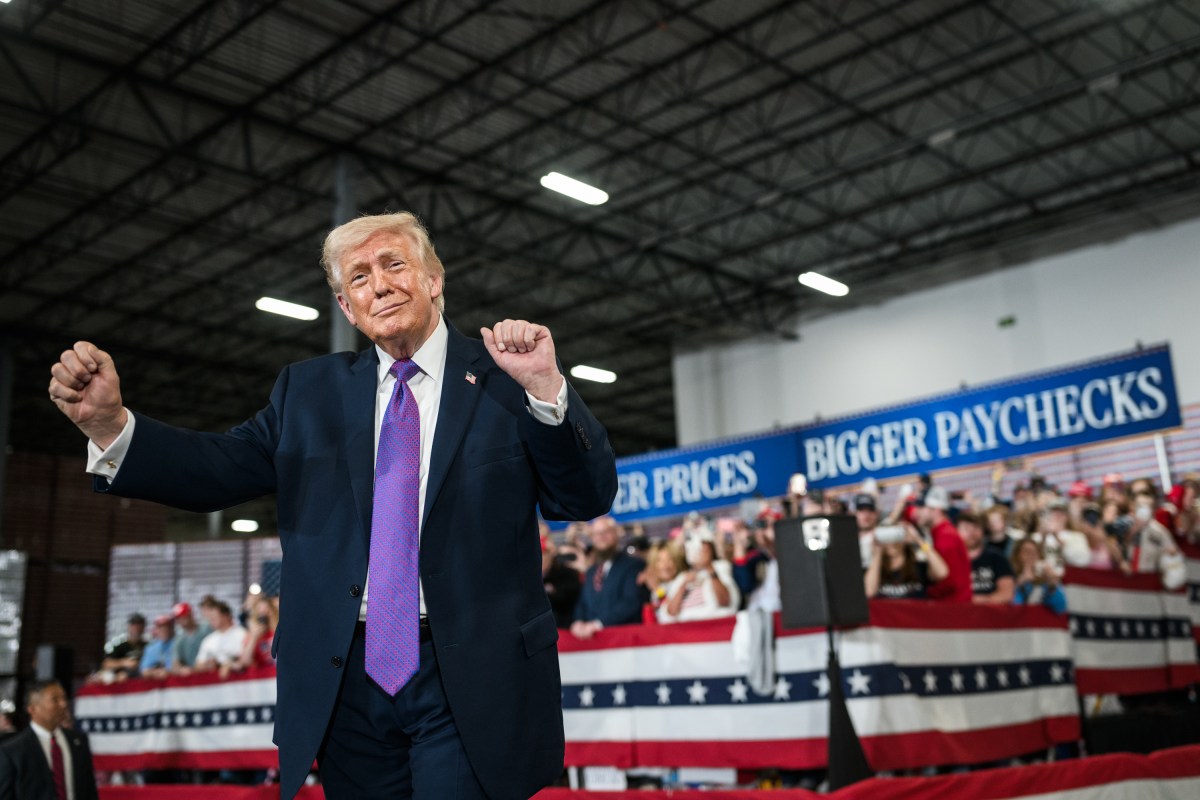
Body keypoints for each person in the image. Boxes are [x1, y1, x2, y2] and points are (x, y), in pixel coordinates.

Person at [48, 211, 617, 800]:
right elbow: (219, 468)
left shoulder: (504, 379)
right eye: (360, 278)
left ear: (434, 280)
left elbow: (584, 496)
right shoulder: (307, 392)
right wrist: (113, 425)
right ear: (348, 308)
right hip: (345, 680)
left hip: (472, 673)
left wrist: (547, 390)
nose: (380, 284)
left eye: (394, 264)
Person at [0, 680, 99, 800]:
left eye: (64, 698)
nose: (63, 704)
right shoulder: (12, 750)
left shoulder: (79, 741)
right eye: (55, 700)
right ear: (33, 709)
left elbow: (89, 789)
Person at [570, 516, 648, 639]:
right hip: (593, 644)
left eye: (606, 532)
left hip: (624, 641)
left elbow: (631, 602)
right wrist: (578, 621)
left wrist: (598, 624)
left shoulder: (634, 565)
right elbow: (583, 602)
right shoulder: (591, 572)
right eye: (596, 534)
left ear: (616, 534)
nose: (601, 537)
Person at [657, 535, 740, 623]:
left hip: (714, 624)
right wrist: (683, 585)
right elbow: (671, 612)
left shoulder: (721, 567)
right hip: (687, 628)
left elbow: (725, 601)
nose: (699, 553)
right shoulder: (682, 577)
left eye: (703, 550)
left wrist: (709, 567)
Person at [914, 487, 972, 602]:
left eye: (921, 507)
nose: (916, 512)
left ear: (936, 510)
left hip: (953, 610)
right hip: (952, 608)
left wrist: (922, 594)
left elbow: (950, 582)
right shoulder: (940, 533)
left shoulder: (945, 536)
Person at [864, 524, 949, 599]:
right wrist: (877, 552)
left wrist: (919, 540)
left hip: (914, 616)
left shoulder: (918, 567)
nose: (891, 543)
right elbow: (869, 592)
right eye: (887, 538)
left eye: (895, 537)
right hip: (886, 616)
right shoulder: (876, 570)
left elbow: (942, 573)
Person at [957, 511, 1014, 604]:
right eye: (966, 529)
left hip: (990, 614)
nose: (971, 533)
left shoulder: (997, 557)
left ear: (983, 530)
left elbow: (1007, 593)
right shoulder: (949, 559)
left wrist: (975, 601)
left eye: (976, 528)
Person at [1010, 539, 1067, 613]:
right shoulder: (1009, 578)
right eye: (1026, 552)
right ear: (1017, 555)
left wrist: (1051, 586)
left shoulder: (1045, 580)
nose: (1031, 556)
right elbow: (1011, 608)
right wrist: (1020, 583)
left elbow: (1060, 608)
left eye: (1034, 553)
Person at [94, 613, 146, 682]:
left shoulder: (147, 646)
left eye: (139, 625)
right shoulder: (120, 645)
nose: (136, 628)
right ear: (129, 627)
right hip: (120, 680)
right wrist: (124, 662)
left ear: (143, 627)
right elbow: (106, 664)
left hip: (139, 678)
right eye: (133, 625)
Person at [168, 602, 210, 676]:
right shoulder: (179, 639)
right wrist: (181, 669)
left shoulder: (206, 629)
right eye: (178, 618)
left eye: (183, 616)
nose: (180, 620)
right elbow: (175, 663)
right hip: (194, 677)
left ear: (190, 614)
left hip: (210, 673)